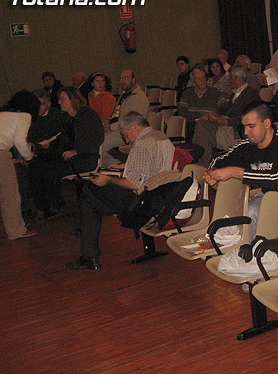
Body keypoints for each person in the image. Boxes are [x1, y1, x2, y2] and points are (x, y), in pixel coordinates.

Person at [66, 112, 175, 270]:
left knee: (91, 190)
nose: (127, 140)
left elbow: (132, 183)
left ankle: (89, 255)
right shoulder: (161, 137)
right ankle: (81, 228)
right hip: (158, 195)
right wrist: (123, 166)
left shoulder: (142, 145)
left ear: (135, 127)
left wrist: (109, 179)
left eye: (126, 135)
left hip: (140, 202)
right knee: (93, 190)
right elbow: (152, 166)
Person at [205, 102, 278, 240]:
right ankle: (251, 252)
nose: (246, 132)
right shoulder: (247, 144)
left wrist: (233, 171)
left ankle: (269, 254)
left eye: (251, 126)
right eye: (244, 127)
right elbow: (217, 160)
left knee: (268, 222)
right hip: (270, 197)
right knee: (248, 212)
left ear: (266, 123)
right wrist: (212, 173)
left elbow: (277, 177)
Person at [29, 87, 103, 220]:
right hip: (72, 156)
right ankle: (48, 205)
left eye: (63, 99)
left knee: (50, 170)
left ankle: (53, 206)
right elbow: (61, 140)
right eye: (59, 99)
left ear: (73, 99)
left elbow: (97, 139)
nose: (59, 102)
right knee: (37, 165)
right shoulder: (67, 118)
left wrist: (77, 151)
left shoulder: (87, 115)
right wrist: (41, 152)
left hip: (85, 158)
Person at [194, 64, 260, 166]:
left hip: (236, 131)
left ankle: (201, 166)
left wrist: (227, 121)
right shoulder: (236, 94)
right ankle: (202, 166)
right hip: (228, 127)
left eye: (229, 77)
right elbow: (226, 110)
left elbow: (251, 118)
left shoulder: (251, 93)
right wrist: (216, 115)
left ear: (235, 78)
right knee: (202, 125)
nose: (228, 80)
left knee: (202, 130)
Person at [0, 90, 40, 240]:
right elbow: (19, 141)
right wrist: (29, 157)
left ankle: (18, 224)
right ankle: (16, 231)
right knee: (10, 195)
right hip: (1, 153)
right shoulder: (24, 116)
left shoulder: (2, 114)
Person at [102, 70, 149, 166]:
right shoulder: (124, 94)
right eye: (121, 78)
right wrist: (108, 122)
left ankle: (113, 168)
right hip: (118, 128)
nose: (123, 81)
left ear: (134, 80)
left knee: (102, 144)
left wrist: (110, 127)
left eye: (126, 78)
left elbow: (132, 122)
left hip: (129, 132)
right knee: (98, 140)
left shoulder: (139, 97)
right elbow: (117, 114)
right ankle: (114, 166)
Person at [177, 68, 224, 142]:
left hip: (209, 125)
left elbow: (224, 110)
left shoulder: (215, 93)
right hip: (191, 125)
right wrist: (200, 118)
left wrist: (215, 115)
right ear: (193, 82)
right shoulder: (187, 93)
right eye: (199, 79)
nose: (203, 81)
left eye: (204, 77)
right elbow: (182, 114)